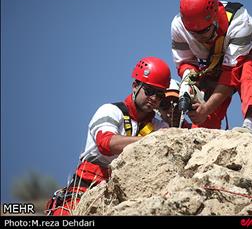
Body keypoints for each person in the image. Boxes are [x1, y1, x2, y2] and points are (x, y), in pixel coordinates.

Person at [45, 56, 171, 215]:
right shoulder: (110, 111)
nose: (154, 98)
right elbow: (106, 144)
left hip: (129, 192)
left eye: (160, 95)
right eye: (149, 91)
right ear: (135, 86)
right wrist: (152, 139)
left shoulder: (159, 125)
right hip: (86, 188)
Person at [171, 0, 252, 133]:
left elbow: (231, 75)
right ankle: (202, 139)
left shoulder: (240, 22)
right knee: (204, 110)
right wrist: (188, 85)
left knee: (248, 67)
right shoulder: (178, 26)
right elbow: (185, 63)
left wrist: (207, 108)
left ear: (214, 18)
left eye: (203, 31)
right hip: (216, 65)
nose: (198, 37)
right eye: (193, 33)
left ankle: (249, 124)